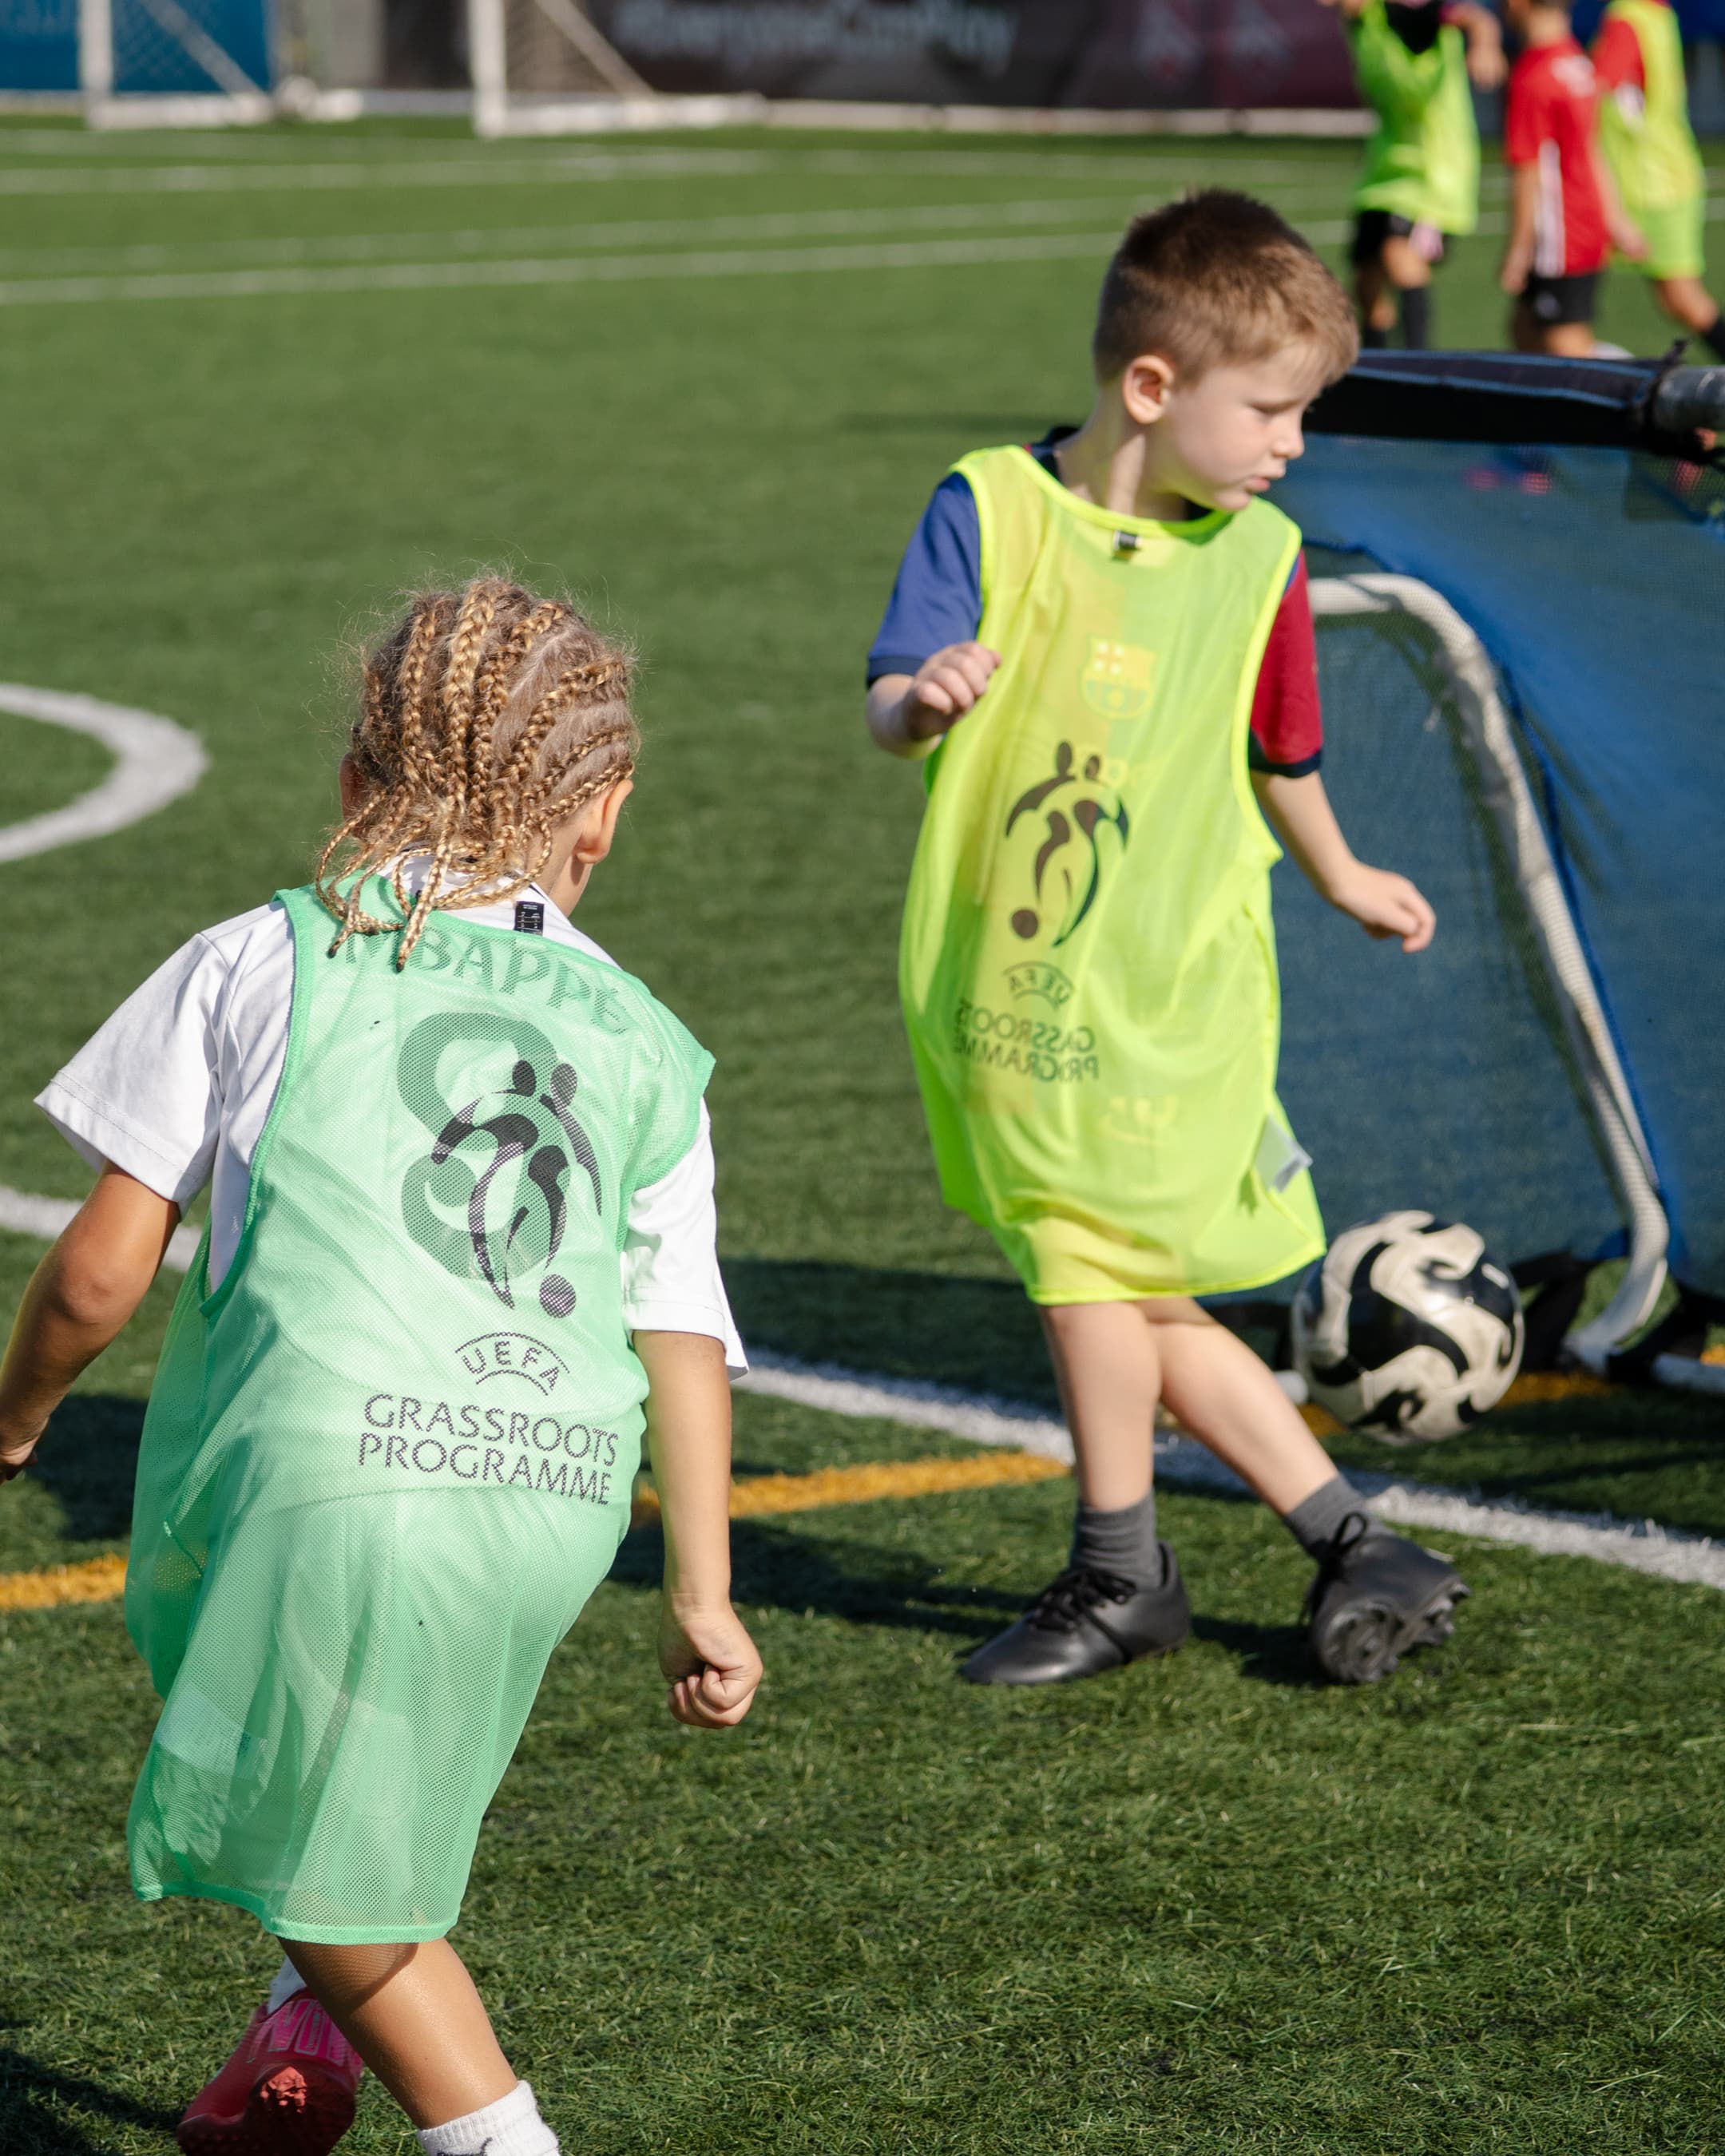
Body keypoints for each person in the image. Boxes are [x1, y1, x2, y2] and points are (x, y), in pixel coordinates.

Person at [0, 579, 763, 2156]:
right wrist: (703, 1590)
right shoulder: (645, 1033)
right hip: (553, 1493)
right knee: (362, 1766)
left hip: (330, 1474)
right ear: (606, 810)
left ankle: (491, 2134)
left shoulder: (262, 955)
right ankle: (303, 2023)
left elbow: (97, 1275)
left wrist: (14, 1422)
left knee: (311, 1844)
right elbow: (682, 1332)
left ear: (357, 782)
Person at [866, 192, 1468, 1693]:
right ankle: (1353, 1540)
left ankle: (1123, 1570)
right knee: (1128, 1284)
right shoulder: (990, 507)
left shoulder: (1263, 559)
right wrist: (922, 702)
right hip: (1017, 980)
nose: (1294, 444)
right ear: (1152, 385)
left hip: (1176, 993)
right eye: (1270, 410)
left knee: (1083, 1264)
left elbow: (1283, 754)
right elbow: (889, 696)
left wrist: (1341, 873)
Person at [1322, 0, 1507, 350]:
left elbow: (1474, 17)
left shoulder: (1410, 15)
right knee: (1366, 281)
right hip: (1384, 172)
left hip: (1434, 174)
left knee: (1400, 255)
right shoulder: (1365, 23)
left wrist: (1485, 44)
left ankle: (1419, 359)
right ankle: (1375, 364)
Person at [1501, 0, 1647, 354]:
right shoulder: (1575, 62)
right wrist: (1615, 218)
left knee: (1565, 342)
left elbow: (1529, 169)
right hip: (1584, 222)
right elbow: (1589, 148)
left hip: (1561, 235)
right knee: (1526, 331)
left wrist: (1519, 250)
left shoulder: (1533, 76)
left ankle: (1623, 383)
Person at [1592, 0, 1725, 359]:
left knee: (1682, 299)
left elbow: (1593, 90)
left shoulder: (1627, 20)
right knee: (1678, 300)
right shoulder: (1657, 14)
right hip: (1665, 172)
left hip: (1647, 184)